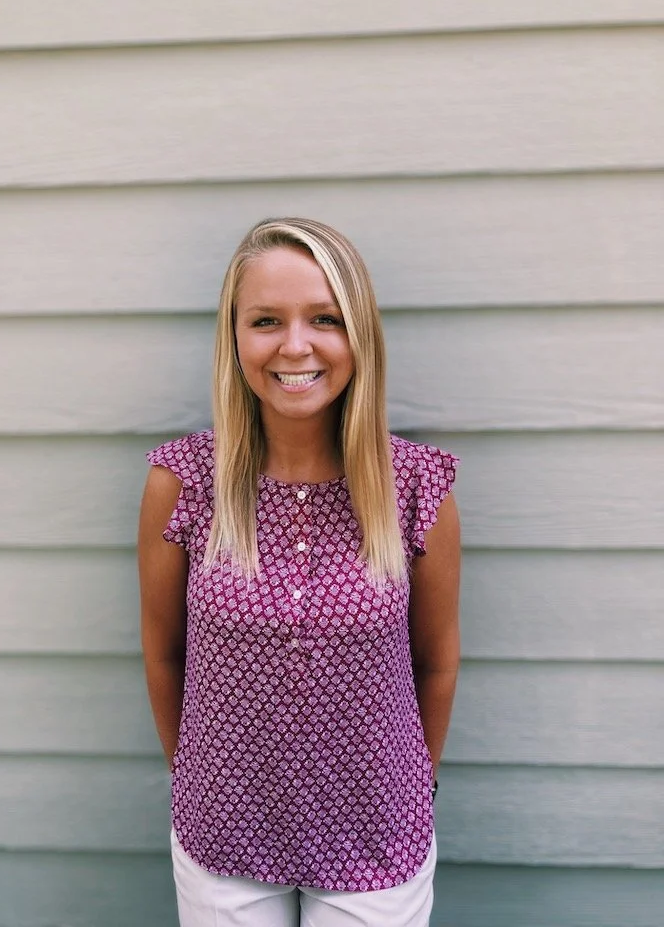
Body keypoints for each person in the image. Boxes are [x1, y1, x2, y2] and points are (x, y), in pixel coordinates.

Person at [138, 217, 461, 927]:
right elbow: (163, 654)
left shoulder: (415, 487)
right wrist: (193, 774)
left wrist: (415, 782)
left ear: (359, 336)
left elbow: (436, 662)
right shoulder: (184, 481)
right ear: (234, 337)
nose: (294, 345)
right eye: (265, 320)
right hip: (222, 832)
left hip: (377, 836)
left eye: (324, 318)